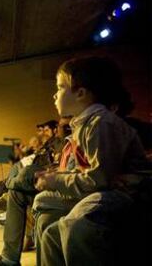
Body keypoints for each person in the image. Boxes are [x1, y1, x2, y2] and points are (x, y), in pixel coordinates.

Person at [32, 56, 151, 266]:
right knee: (48, 224)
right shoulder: (84, 125)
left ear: (80, 93)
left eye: (60, 88)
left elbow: (100, 180)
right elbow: (86, 173)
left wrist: (54, 181)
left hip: (126, 193)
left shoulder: (102, 123)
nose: (54, 95)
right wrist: (55, 176)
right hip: (102, 190)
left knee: (74, 226)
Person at [0, 118, 71, 266]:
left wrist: (50, 171)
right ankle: (9, 259)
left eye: (65, 125)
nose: (66, 128)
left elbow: (75, 172)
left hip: (60, 185)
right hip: (49, 176)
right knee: (18, 180)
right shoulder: (65, 140)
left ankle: (6, 186)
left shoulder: (78, 137)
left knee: (25, 172)